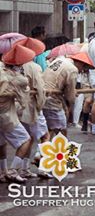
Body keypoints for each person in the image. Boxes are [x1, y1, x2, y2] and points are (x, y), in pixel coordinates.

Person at [0, 44, 37, 184]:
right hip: (6, 115)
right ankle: (13, 170)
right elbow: (24, 88)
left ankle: (2, 172)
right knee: (25, 140)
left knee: (1, 144)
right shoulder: (18, 79)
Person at [15, 37, 47, 179]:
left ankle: (24, 168)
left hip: (16, 106)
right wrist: (40, 106)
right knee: (44, 136)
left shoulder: (14, 65)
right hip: (31, 106)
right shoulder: (34, 67)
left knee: (27, 138)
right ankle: (43, 167)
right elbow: (40, 90)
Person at [42, 51, 94, 136]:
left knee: (50, 129)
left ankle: (46, 148)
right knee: (61, 131)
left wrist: (71, 92)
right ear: (80, 63)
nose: (82, 71)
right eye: (84, 67)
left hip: (43, 95)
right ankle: (48, 148)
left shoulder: (60, 60)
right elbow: (70, 97)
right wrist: (73, 94)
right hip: (51, 99)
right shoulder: (72, 69)